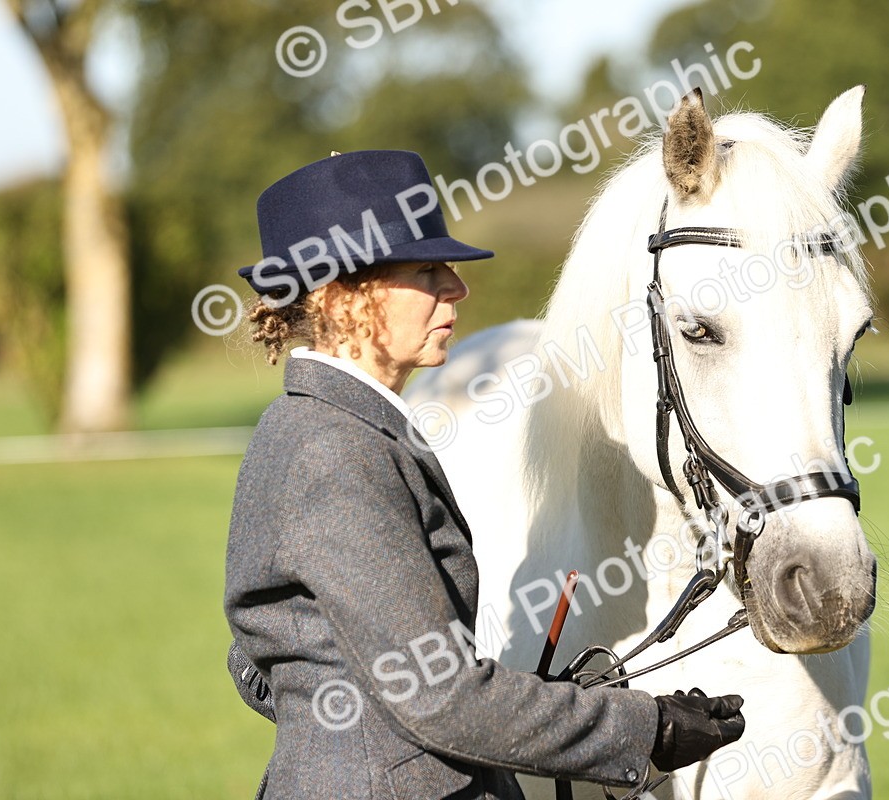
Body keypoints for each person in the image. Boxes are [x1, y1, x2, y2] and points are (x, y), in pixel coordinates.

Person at [223, 150, 745, 800]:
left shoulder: (311, 426)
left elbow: (263, 664)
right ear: (340, 298)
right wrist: (649, 728)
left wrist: (493, 711)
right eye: (426, 271)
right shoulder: (337, 451)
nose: (456, 288)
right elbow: (438, 694)